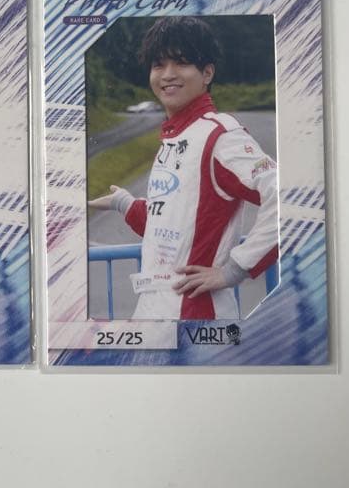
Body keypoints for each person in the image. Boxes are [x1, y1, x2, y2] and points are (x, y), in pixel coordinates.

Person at [88, 17, 278, 320]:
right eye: (158, 65)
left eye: (181, 62)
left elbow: (288, 195)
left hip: (197, 320)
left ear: (207, 73)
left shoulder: (220, 135)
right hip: (153, 314)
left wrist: (235, 269)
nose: (168, 74)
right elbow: (176, 226)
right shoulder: (176, 136)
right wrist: (124, 203)